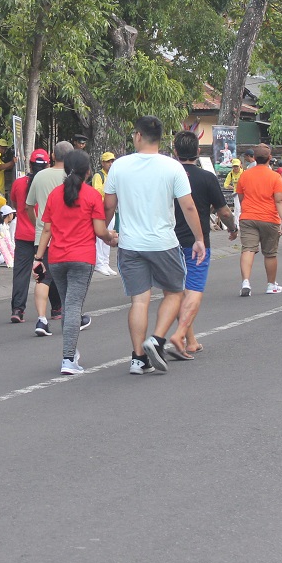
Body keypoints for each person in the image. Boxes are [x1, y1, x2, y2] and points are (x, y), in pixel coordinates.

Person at [102, 116, 206, 376]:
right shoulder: (172, 167)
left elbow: (109, 206)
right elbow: (188, 206)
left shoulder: (119, 166)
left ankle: (138, 359)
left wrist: (104, 233)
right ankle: (157, 340)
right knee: (175, 292)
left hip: (130, 244)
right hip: (163, 243)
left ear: (138, 135)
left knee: (139, 301)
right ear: (160, 138)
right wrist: (199, 239)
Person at [34, 151, 111, 374]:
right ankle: (68, 358)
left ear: (66, 170)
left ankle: (71, 353)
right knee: (74, 306)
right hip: (82, 258)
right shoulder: (92, 195)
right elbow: (100, 230)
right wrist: (112, 238)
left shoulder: (55, 195)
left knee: (68, 305)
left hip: (57, 258)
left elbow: (46, 230)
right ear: (88, 172)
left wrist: (38, 258)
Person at [169, 130, 236, 356]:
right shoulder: (207, 178)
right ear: (198, 151)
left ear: (175, 151)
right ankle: (180, 335)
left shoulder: (168, 177)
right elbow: (224, 212)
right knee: (194, 289)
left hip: (168, 241)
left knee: (178, 291)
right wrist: (233, 228)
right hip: (197, 241)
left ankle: (191, 341)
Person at [8, 150, 61, 322]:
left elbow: (16, 204)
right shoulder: (51, 182)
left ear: (30, 165)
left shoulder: (19, 183)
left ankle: (17, 310)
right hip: (45, 235)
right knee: (48, 273)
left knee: (21, 273)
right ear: (48, 164)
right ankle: (56, 308)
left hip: (23, 234)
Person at [27, 142, 74, 331]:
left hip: (43, 235)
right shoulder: (72, 177)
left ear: (53, 156)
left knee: (42, 278)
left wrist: (37, 223)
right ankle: (72, 317)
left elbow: (28, 205)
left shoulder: (39, 176)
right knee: (70, 278)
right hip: (68, 235)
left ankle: (41, 319)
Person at [236, 143, 282, 297]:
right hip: (269, 218)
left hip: (248, 217)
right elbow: (279, 200)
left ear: (254, 157)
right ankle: (271, 285)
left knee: (248, 249)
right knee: (270, 253)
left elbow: (241, 197)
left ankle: (246, 282)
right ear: (269, 158)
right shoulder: (275, 176)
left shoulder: (245, 175)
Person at [91, 151, 118, 276]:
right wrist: (109, 190)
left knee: (109, 235)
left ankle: (105, 263)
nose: (110, 164)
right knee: (100, 236)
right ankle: (99, 263)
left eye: (112, 161)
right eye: (108, 161)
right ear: (102, 163)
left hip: (110, 209)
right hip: (101, 210)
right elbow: (96, 191)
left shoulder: (113, 176)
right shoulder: (99, 176)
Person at [223, 158, 244, 225]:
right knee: (237, 208)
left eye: (237, 166)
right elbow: (225, 185)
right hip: (236, 193)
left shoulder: (244, 172)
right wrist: (233, 187)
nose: (235, 168)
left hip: (244, 193)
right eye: (234, 166)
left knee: (244, 208)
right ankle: (237, 224)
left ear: (240, 166)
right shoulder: (231, 174)